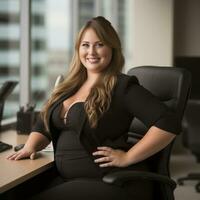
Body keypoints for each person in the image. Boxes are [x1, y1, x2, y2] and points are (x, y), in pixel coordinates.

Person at [7, 16, 181, 200]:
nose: (91, 51)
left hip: (110, 181)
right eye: (85, 45)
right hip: (71, 179)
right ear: (78, 49)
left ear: (112, 48)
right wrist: (30, 146)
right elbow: (44, 123)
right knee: (13, 193)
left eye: (99, 44)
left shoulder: (122, 86)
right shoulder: (69, 86)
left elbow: (167, 123)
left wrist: (128, 157)